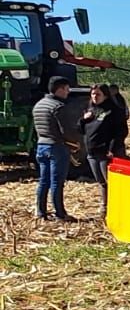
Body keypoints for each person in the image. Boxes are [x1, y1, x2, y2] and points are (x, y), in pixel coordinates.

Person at [32, 76, 77, 222]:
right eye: (66, 89)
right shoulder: (58, 107)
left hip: (41, 146)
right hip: (56, 147)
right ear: (60, 89)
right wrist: (75, 143)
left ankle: (41, 212)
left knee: (44, 181)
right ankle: (60, 214)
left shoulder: (39, 105)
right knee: (57, 182)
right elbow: (65, 130)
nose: (68, 92)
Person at [80, 84, 127, 214]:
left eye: (98, 94)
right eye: (93, 94)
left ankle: (117, 207)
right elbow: (81, 130)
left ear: (105, 95)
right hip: (92, 152)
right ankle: (105, 206)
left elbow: (121, 132)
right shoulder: (90, 109)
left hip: (106, 152)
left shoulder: (114, 111)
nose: (95, 96)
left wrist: (112, 149)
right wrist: (83, 121)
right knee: (102, 182)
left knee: (112, 182)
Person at [106, 83, 130, 157]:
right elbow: (127, 114)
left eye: (111, 90)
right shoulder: (118, 98)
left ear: (115, 90)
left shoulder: (117, 99)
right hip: (120, 126)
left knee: (116, 140)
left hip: (118, 126)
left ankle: (114, 155)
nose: (110, 92)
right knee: (118, 141)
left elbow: (125, 113)